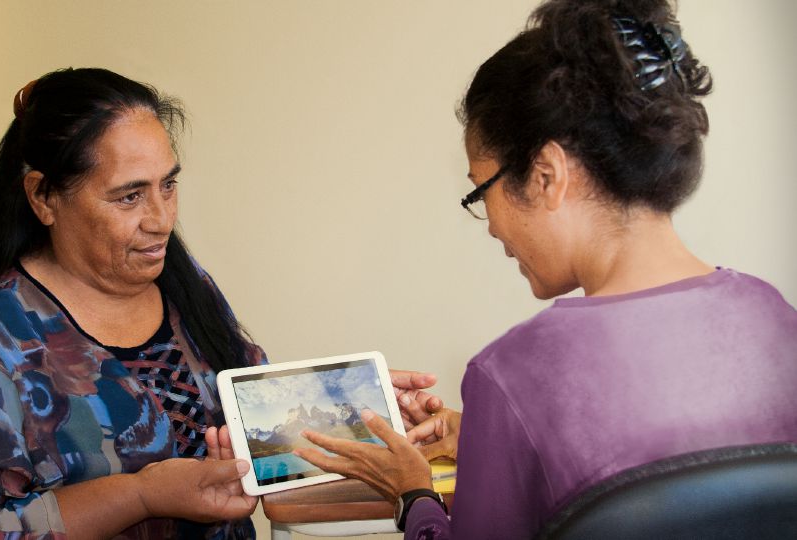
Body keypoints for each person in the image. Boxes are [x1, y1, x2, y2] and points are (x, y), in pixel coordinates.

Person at [293, 0, 797, 538]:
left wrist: (412, 492)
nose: (489, 225)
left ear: (546, 175)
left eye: (480, 191)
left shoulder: (510, 374)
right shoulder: (775, 318)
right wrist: (501, 442)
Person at [0, 68, 441, 539]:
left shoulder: (182, 287)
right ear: (43, 197)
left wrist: (360, 409)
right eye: (129, 196)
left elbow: (259, 442)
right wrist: (141, 495)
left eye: (169, 186)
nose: (161, 220)